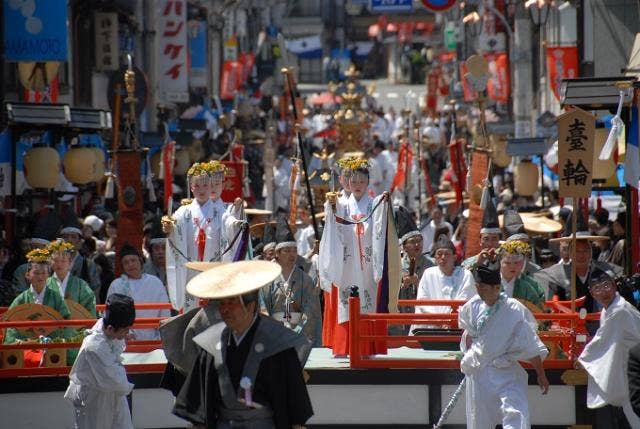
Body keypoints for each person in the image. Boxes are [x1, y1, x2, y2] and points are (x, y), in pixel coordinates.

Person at [171, 261, 313, 428]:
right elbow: (199, 409)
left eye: (231, 303)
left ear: (251, 305)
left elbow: (295, 407)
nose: (225, 309)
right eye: (222, 303)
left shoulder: (278, 343)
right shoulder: (211, 343)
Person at [459, 265, 549, 429]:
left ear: (497, 288)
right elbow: (468, 337)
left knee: (515, 412)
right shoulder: (472, 307)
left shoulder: (513, 308)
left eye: (484, 288)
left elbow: (529, 342)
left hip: (505, 369)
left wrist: (540, 374)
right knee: (480, 418)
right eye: (477, 287)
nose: (479, 291)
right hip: (480, 370)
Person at [319, 158, 390, 356]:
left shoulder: (374, 204)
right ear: (348, 183)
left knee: (368, 297)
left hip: (367, 261)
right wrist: (331, 205)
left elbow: (379, 227)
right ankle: (346, 346)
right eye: (354, 181)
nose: (357, 185)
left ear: (368, 182)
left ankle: (370, 346)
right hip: (348, 261)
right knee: (347, 299)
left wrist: (384, 203)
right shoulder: (343, 205)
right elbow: (334, 221)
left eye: (361, 181)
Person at [162, 160, 244, 312]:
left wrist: (236, 224)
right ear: (191, 188)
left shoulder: (220, 211)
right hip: (191, 264)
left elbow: (228, 221)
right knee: (191, 308)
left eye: (206, 185)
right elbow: (173, 226)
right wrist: (169, 228)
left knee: (213, 307)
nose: (202, 189)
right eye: (197, 186)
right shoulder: (183, 211)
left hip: (213, 265)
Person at [64, 293, 136, 429]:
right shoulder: (94, 346)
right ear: (110, 328)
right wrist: (126, 383)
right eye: (125, 330)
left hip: (112, 395)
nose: (127, 333)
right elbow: (116, 381)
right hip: (95, 399)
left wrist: (122, 334)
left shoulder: (106, 328)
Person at [578, 272, 640, 427]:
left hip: (634, 366)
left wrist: (582, 359)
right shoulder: (610, 308)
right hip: (627, 365)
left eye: (606, 285)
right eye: (597, 288)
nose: (603, 291)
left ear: (614, 286)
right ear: (591, 293)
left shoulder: (619, 310)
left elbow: (602, 342)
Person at [260, 218, 322, 346]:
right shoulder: (267, 279)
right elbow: (262, 308)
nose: (292, 255)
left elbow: (311, 311)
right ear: (277, 253)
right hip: (273, 333)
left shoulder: (305, 280)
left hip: (299, 334)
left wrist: (297, 331)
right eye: (287, 251)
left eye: (294, 250)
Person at [106, 243, 170, 340]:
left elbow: (165, 312)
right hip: (125, 337)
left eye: (133, 260)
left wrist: (160, 336)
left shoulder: (155, 282)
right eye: (126, 262)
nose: (130, 264)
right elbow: (110, 314)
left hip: (153, 336)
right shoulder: (117, 284)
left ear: (140, 261)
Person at [410, 237, 475, 333]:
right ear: (435, 258)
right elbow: (423, 300)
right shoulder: (429, 273)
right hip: (430, 325)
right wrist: (440, 321)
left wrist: (450, 320)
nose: (443, 257)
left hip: (457, 326)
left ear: (454, 257)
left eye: (447, 254)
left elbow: (466, 299)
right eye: (439, 254)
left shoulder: (465, 274)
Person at [395, 206, 434, 316]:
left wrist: (418, 283)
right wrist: (401, 284)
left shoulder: (431, 265)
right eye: (412, 241)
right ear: (404, 246)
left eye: (419, 241)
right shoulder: (397, 266)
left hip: (425, 316)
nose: (417, 244)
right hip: (401, 318)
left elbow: (436, 290)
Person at [46, 239, 96, 316]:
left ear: (70, 262)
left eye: (63, 261)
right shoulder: (45, 284)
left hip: (76, 326)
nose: (59, 264)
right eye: (55, 260)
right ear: (50, 262)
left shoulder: (81, 285)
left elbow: (89, 307)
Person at [497, 240, 546, 311]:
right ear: (500, 262)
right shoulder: (491, 283)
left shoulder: (530, 286)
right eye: (507, 263)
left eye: (516, 263)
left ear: (523, 262)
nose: (512, 266)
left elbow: (538, 310)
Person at [60, 226, 102, 292]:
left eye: (73, 237)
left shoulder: (88, 264)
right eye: (65, 237)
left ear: (79, 242)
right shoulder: (53, 263)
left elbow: (95, 288)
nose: (69, 240)